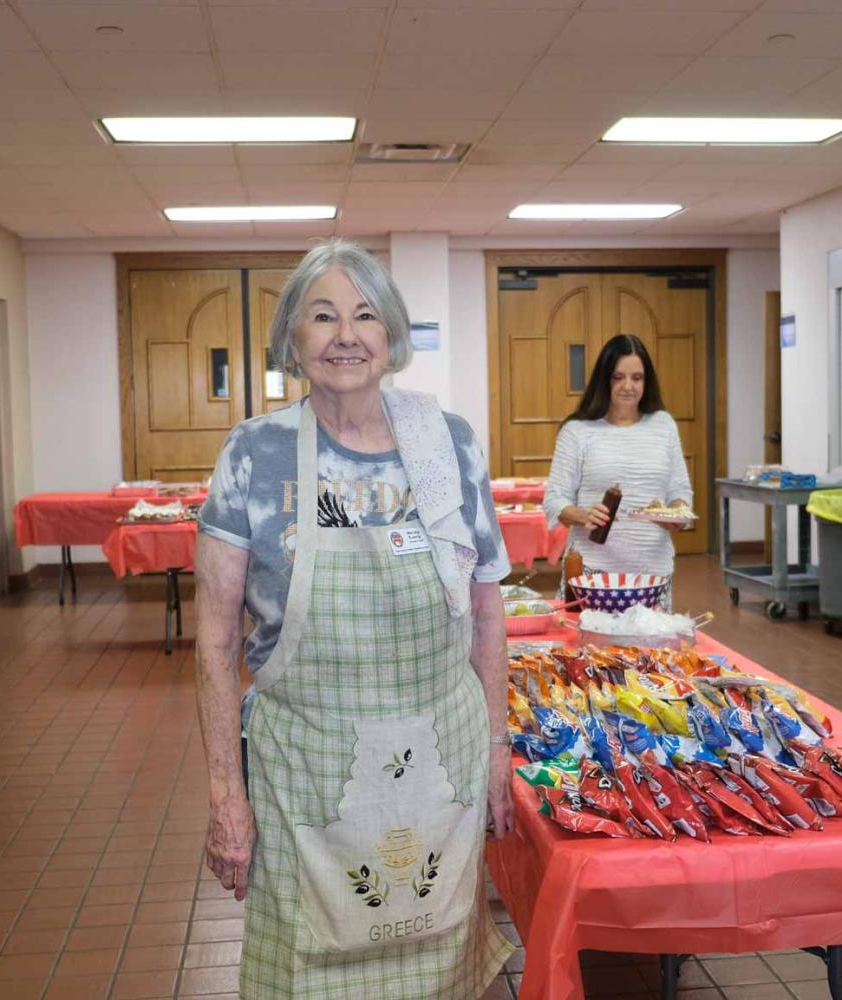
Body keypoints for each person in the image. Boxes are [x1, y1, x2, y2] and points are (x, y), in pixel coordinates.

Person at [196, 240, 514, 998]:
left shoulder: (447, 444)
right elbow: (213, 640)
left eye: (366, 315)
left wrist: (498, 748)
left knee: (435, 968)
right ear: (293, 336)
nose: (346, 336)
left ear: (392, 333)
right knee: (307, 970)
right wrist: (226, 795)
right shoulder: (255, 453)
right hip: (307, 775)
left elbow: (486, 609)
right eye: (323, 316)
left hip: (439, 765)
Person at [544, 334, 693, 609]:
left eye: (637, 378)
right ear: (604, 379)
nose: (628, 386)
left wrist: (677, 514)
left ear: (646, 382)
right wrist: (583, 515)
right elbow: (554, 499)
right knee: (588, 638)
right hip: (591, 573)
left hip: (652, 575)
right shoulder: (577, 430)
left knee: (650, 639)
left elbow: (680, 491)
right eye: (618, 377)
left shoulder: (663, 425)